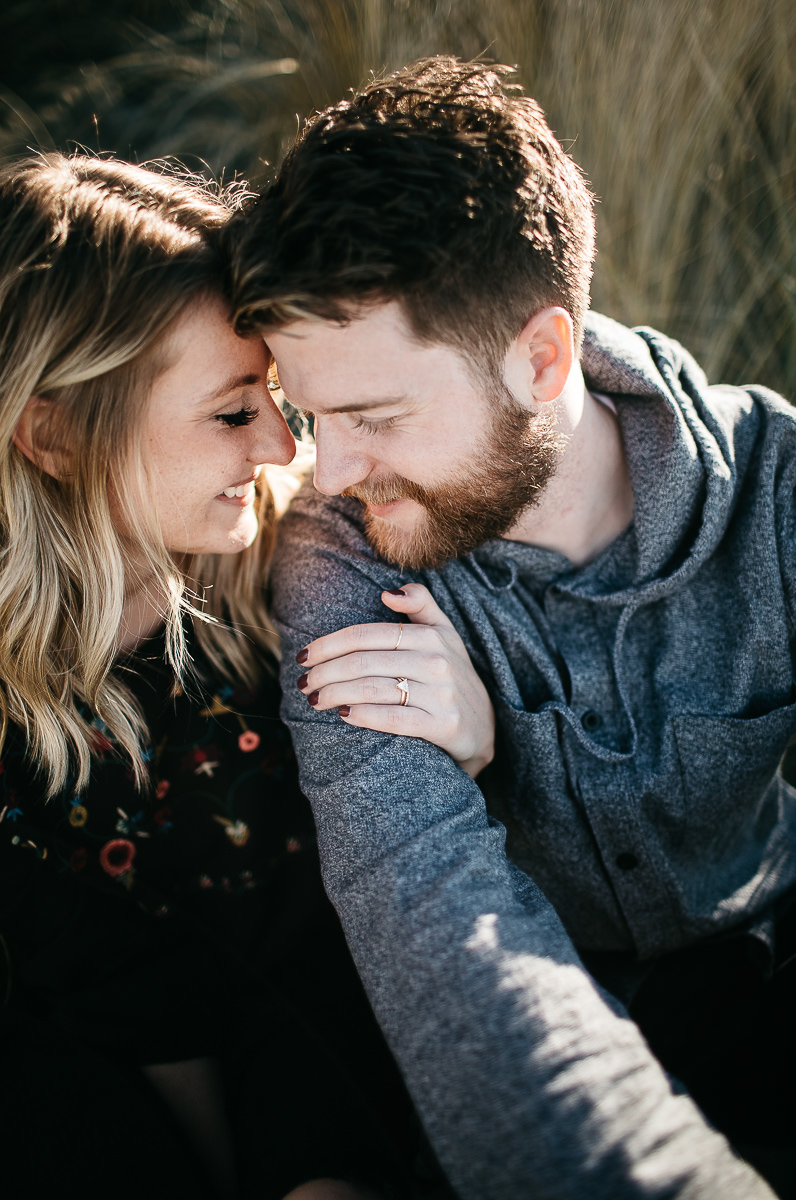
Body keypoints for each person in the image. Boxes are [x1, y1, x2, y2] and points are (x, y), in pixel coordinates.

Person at [227, 57, 796, 1200]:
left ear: (541, 359)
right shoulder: (342, 557)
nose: (323, 471)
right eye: (308, 413)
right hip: (545, 1024)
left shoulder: (775, 489)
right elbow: (441, 930)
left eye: (371, 415)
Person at [0, 152, 491, 1200]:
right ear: (52, 432)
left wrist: (471, 743)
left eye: (275, 394)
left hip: (358, 1101)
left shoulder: (314, 570)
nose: (281, 445)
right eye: (232, 413)